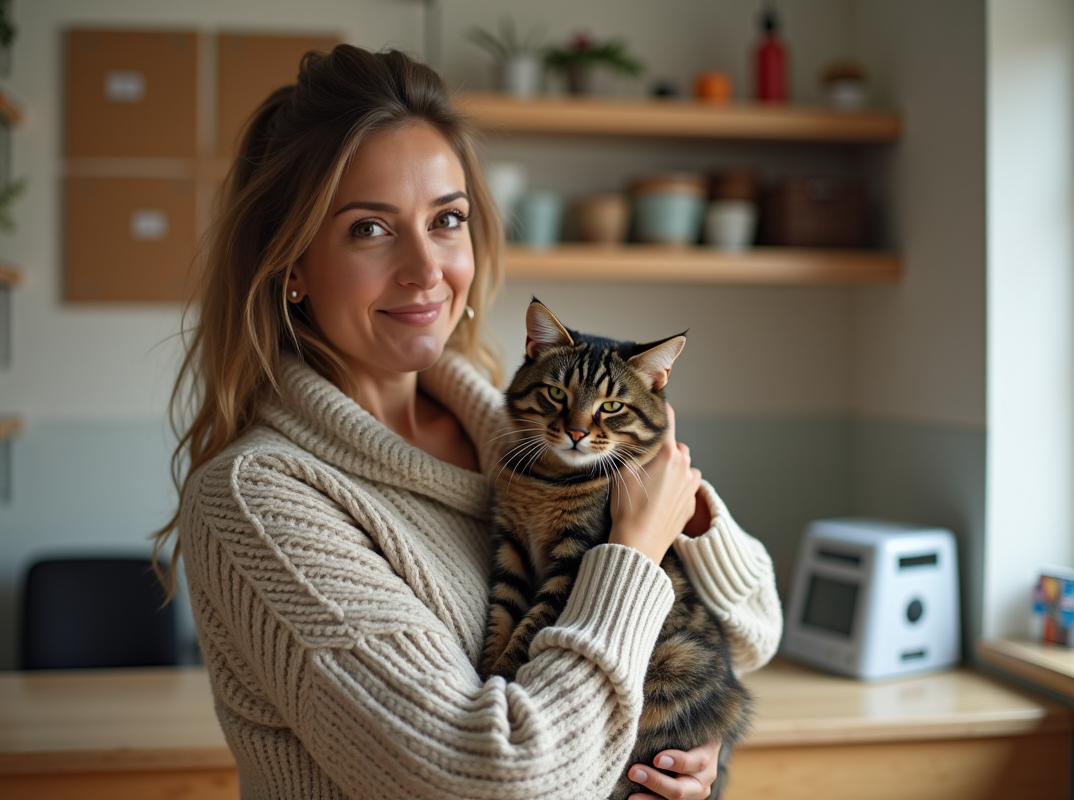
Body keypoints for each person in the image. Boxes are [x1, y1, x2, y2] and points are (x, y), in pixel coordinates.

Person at [153, 44, 782, 800]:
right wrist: (636, 553)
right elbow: (497, 780)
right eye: (369, 229)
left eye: (446, 219)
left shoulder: (519, 427)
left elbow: (753, 631)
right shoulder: (257, 498)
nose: (426, 268)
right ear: (292, 264)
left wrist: (668, 750)